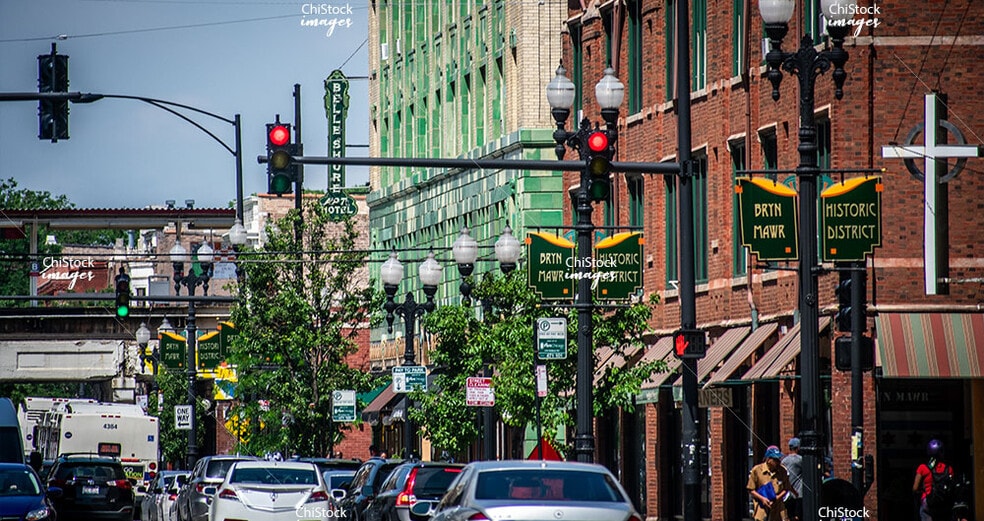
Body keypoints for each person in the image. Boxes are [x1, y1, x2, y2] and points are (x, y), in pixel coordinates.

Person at [913, 439, 960, 521]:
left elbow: (915, 488)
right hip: (944, 503)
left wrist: (923, 491)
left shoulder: (923, 468)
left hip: (928, 501)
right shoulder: (948, 469)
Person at [748, 445, 793, 521]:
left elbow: (786, 488)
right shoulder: (757, 470)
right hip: (762, 507)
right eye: (775, 460)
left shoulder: (782, 471)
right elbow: (751, 489)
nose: (778, 461)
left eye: (779, 459)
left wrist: (776, 499)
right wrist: (762, 499)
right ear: (768, 460)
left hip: (778, 508)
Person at [781, 438, 803, 521]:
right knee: (798, 516)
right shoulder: (800, 460)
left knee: (789, 515)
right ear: (798, 448)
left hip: (787, 494)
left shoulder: (784, 461)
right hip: (799, 493)